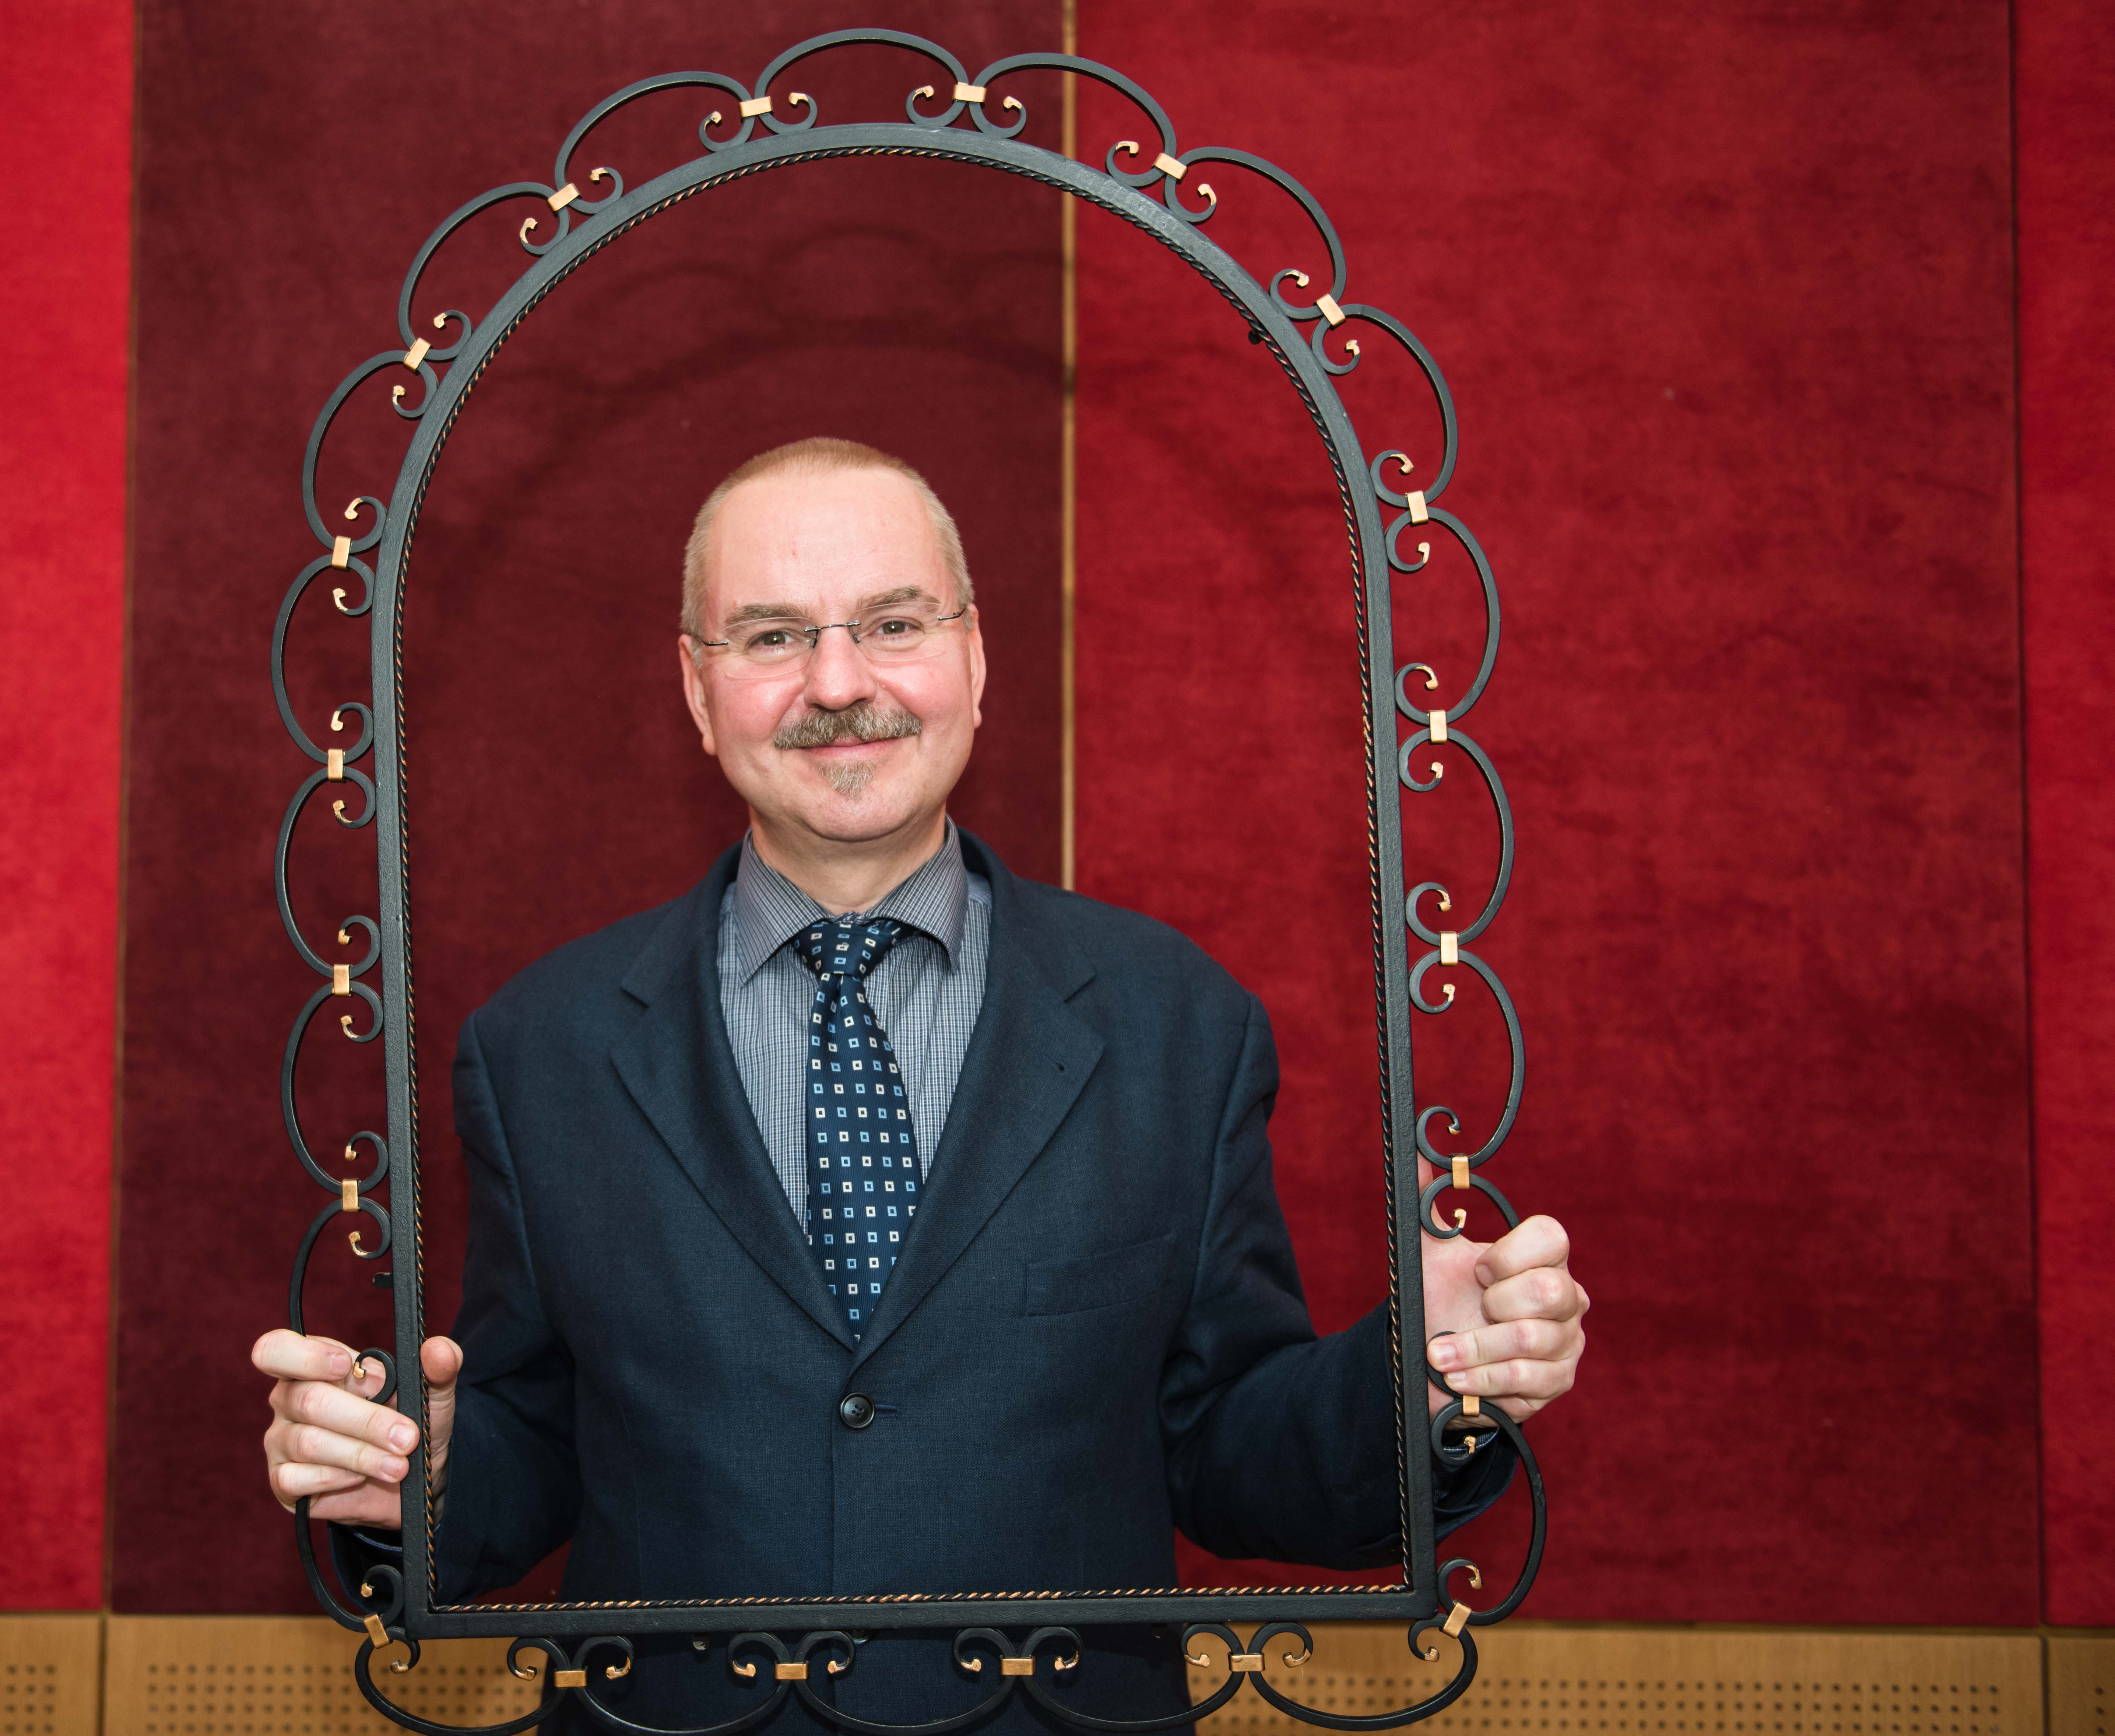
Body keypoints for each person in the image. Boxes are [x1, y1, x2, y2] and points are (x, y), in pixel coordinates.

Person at [253, 439, 1587, 1729]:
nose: (838, 683)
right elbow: (541, 1449)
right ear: (696, 689)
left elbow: (1226, 1451)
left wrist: (1421, 1378)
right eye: (771, 636)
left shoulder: (1179, 1023)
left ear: (974, 657)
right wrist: (415, 1468)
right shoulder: (538, 1048)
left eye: (893, 623)